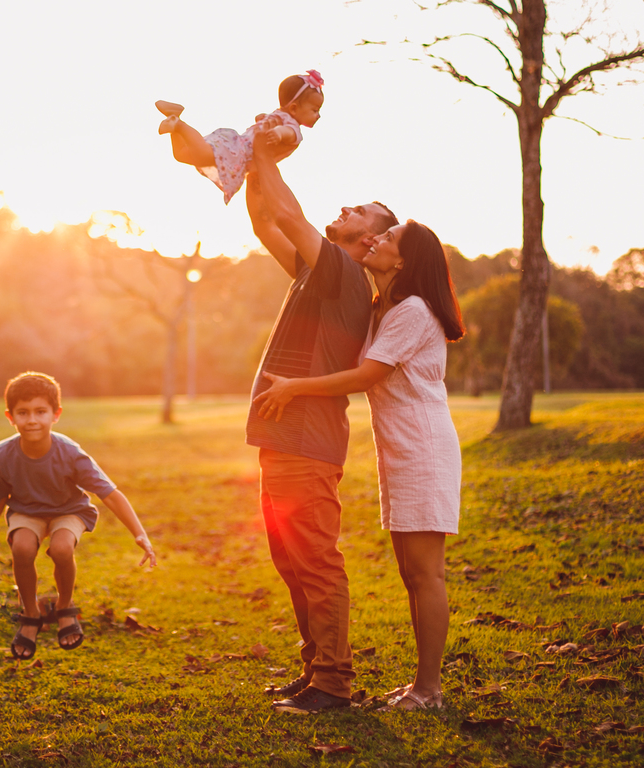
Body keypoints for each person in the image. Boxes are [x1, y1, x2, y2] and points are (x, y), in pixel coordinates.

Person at [254, 219, 466, 711]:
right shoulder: (383, 308)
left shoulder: (412, 310)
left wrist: (294, 386)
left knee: (425, 573)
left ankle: (429, 690)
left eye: (389, 239)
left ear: (404, 261)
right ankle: (420, 685)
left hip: (423, 449)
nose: (378, 241)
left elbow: (369, 374)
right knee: (411, 573)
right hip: (400, 450)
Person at [242, 120, 398, 714]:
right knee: (291, 561)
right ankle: (316, 670)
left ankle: (334, 682)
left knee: (315, 560)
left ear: (370, 241)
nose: (348, 208)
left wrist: (261, 151)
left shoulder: (343, 273)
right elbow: (265, 220)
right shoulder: (319, 273)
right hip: (283, 439)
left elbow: (288, 213)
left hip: (307, 443)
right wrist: (247, 168)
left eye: (363, 211)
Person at [0, 372, 157, 659]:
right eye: (23, 413)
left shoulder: (70, 453)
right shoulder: (2, 454)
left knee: (62, 548)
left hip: (69, 509)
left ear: (56, 414)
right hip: (27, 510)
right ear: (10, 416)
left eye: (41, 411)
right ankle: (31, 614)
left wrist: (140, 534)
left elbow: (110, 494)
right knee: (23, 548)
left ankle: (65, 607)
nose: (32, 420)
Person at [156, 71, 324, 204]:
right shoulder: (293, 129)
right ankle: (178, 125)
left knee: (181, 155)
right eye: (315, 110)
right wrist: (279, 133)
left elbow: (260, 117)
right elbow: (289, 133)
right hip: (238, 152)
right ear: (294, 108)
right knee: (200, 155)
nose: (318, 116)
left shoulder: (277, 115)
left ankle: (174, 118)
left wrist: (264, 120)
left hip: (234, 143)